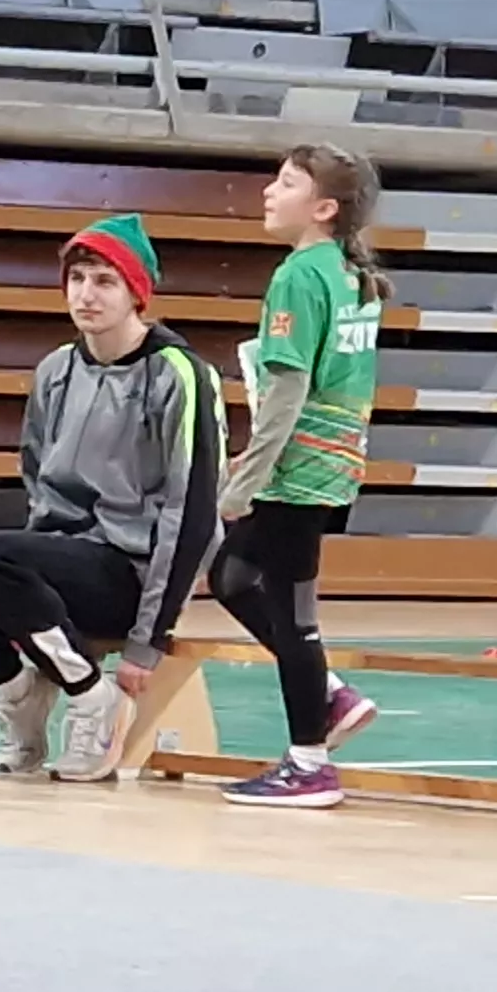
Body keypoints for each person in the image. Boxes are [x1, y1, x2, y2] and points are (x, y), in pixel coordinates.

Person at [0, 216, 221, 782]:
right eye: (77, 278)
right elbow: (37, 478)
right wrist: (23, 597)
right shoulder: (56, 369)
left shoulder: (178, 373)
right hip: (61, 559)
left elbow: (193, 512)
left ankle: (92, 699)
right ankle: (19, 693)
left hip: (130, 571)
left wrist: (150, 639)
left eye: (104, 281)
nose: (86, 294)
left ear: (136, 293)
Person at [212, 145, 390, 809]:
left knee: (293, 616)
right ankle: (331, 697)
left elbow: (286, 388)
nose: (267, 191)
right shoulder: (346, 271)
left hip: (298, 468)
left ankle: (310, 760)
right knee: (231, 576)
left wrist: (245, 479)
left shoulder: (300, 276)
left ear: (323, 208)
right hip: (333, 460)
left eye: (285, 183)